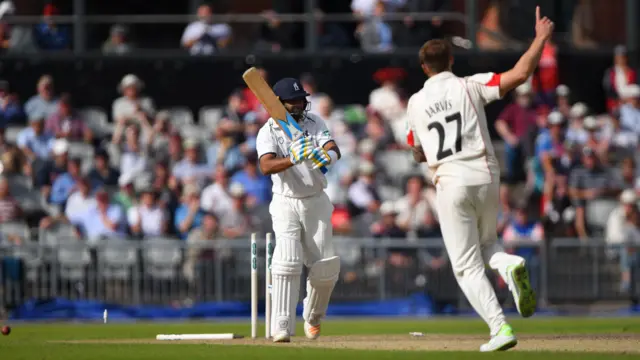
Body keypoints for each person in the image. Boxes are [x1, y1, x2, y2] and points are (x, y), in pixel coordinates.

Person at [405, 6, 553, 352]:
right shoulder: (470, 85)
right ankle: (508, 262)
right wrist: (541, 38)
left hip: (450, 180)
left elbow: (417, 151)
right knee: (488, 244)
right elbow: (519, 74)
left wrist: (425, 152)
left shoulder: (415, 102)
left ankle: (500, 328)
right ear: (452, 61)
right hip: (486, 174)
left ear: (424, 67)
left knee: (465, 266)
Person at [256, 77, 342, 342]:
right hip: (285, 201)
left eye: (302, 98)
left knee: (325, 267)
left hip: (316, 198)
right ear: (280, 103)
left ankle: (313, 317)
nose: (301, 103)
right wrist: (292, 159)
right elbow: (266, 166)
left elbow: (332, 148)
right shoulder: (268, 131)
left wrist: (326, 156)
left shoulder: (315, 121)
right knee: (287, 259)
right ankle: (281, 324)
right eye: (294, 100)